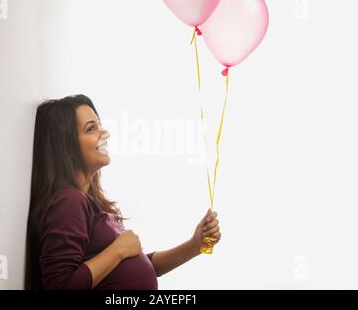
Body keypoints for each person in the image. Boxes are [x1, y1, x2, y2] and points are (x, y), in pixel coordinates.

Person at [27, 94, 221, 290]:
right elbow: (60, 286)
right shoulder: (69, 201)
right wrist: (118, 250)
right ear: (66, 147)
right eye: (91, 128)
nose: (105, 133)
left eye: (99, 124)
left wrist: (194, 245)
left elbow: (132, 269)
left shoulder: (89, 202)